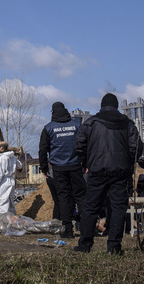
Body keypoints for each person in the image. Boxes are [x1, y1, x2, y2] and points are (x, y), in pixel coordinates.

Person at [72, 93, 139, 255]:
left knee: (90, 207)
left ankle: (85, 245)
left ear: (101, 106)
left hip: (97, 170)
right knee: (118, 209)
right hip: (120, 172)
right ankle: (114, 247)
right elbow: (135, 148)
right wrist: (128, 165)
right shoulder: (128, 123)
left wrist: (87, 162)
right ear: (116, 106)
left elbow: (78, 145)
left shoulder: (91, 123)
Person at [39, 102, 86, 239]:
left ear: (53, 112)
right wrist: (86, 162)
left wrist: (43, 167)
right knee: (81, 197)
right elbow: (85, 144)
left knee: (64, 198)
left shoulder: (48, 128)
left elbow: (43, 149)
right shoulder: (77, 125)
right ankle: (86, 228)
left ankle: (68, 231)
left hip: (59, 169)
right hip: (76, 166)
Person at [0, 141, 23, 214]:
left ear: (2, 147)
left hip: (4, 182)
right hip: (11, 181)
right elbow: (20, 167)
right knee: (11, 202)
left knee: (3, 203)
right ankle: (12, 220)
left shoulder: (2, 158)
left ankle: (4, 222)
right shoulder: (13, 157)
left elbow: (0, 173)